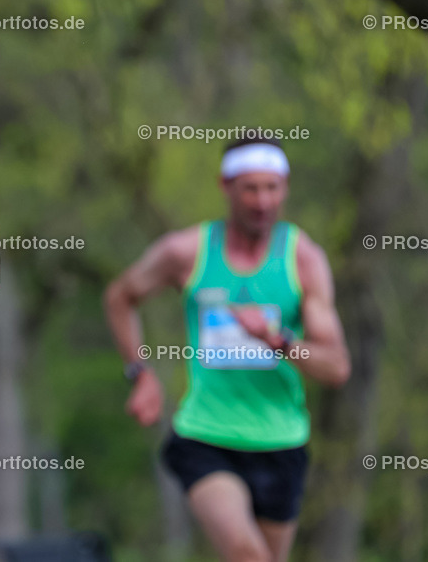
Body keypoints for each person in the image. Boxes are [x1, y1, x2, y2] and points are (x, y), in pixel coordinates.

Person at [104, 137, 351, 562]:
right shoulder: (186, 252)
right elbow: (120, 297)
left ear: (286, 188)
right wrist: (140, 373)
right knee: (247, 557)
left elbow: (336, 368)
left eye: (272, 188)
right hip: (205, 435)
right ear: (226, 186)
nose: (262, 201)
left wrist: (278, 340)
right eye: (250, 188)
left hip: (280, 440)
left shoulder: (304, 259)